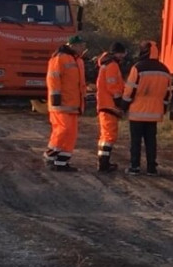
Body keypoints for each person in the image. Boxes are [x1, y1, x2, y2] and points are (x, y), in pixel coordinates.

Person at [121, 40, 171, 176]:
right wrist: (163, 109)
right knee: (151, 142)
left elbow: (129, 91)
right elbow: (167, 94)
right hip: (155, 113)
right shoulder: (165, 70)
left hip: (137, 112)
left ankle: (135, 166)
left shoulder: (138, 68)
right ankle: (151, 168)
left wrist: (123, 107)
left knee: (136, 142)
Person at [43, 35, 87, 172]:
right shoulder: (59, 58)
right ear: (72, 46)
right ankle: (49, 155)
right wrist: (56, 97)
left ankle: (62, 162)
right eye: (80, 45)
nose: (83, 48)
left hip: (73, 104)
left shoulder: (78, 60)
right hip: (61, 104)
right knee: (63, 130)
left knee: (71, 133)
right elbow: (53, 78)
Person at [95, 41, 128, 172]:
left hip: (104, 104)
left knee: (105, 136)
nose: (123, 56)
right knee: (109, 136)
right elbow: (112, 85)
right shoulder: (112, 65)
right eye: (122, 53)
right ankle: (104, 164)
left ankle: (103, 162)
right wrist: (118, 100)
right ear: (118, 53)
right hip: (109, 105)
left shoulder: (106, 64)